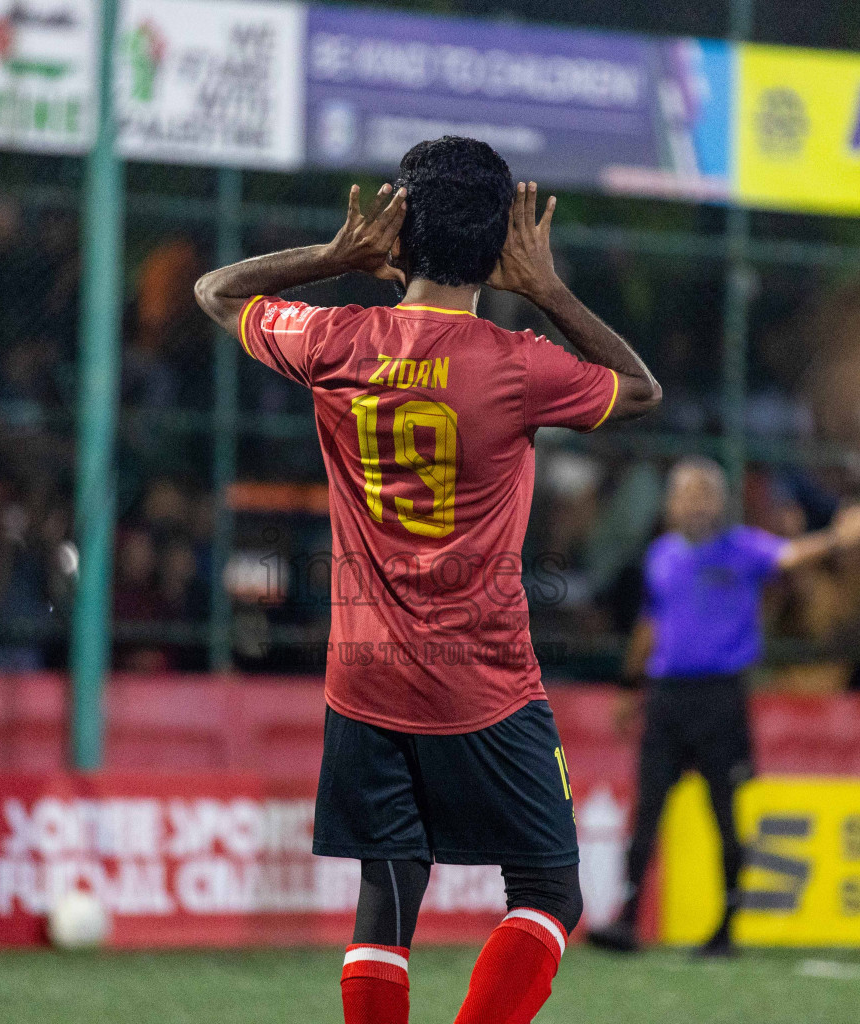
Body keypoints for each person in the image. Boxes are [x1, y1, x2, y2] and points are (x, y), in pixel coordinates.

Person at [195, 136, 660, 1024]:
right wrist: (548, 288)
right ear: (501, 247)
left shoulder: (334, 338)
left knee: (388, 896)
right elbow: (638, 390)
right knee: (550, 894)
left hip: (362, 675)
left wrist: (335, 256)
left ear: (398, 233)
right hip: (480, 681)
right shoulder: (515, 364)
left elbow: (217, 293)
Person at [587, 458, 860, 956]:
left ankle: (727, 927)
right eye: (686, 494)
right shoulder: (660, 555)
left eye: (704, 493)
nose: (695, 503)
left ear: (720, 503)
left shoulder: (743, 548)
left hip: (720, 698)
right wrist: (629, 688)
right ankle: (628, 921)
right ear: (671, 504)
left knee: (723, 813)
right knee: (649, 810)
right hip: (665, 699)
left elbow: (790, 556)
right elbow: (649, 627)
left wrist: (836, 539)